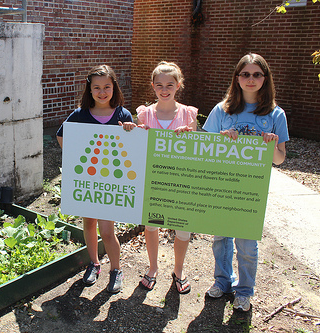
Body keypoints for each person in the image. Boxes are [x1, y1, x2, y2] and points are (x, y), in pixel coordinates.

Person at [202, 53, 289, 312]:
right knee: (220, 238)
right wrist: (220, 137)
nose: (251, 79)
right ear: (237, 78)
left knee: (247, 244)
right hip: (222, 184)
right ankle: (222, 282)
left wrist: (272, 145)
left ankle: (244, 290)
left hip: (251, 189)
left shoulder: (276, 114)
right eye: (245, 74)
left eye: (257, 74)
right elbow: (205, 149)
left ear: (265, 78)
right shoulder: (223, 110)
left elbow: (280, 160)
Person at [121, 61, 197, 294]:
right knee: (152, 226)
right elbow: (137, 146)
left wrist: (188, 135)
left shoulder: (188, 114)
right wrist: (130, 130)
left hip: (180, 179)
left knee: (182, 229)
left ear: (178, 85)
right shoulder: (145, 113)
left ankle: (179, 269)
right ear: (153, 86)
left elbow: (196, 151)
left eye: (170, 85)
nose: (165, 89)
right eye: (160, 85)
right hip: (152, 178)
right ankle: (153, 267)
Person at [56, 64, 133, 293]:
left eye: (106, 87)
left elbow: (133, 146)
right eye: (96, 88)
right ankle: (94, 263)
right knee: (89, 223)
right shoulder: (80, 114)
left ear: (114, 88)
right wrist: (75, 157)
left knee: (108, 230)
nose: (102, 92)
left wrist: (131, 129)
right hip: (89, 181)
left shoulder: (123, 114)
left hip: (110, 183)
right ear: (89, 90)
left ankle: (116, 270)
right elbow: (62, 135)